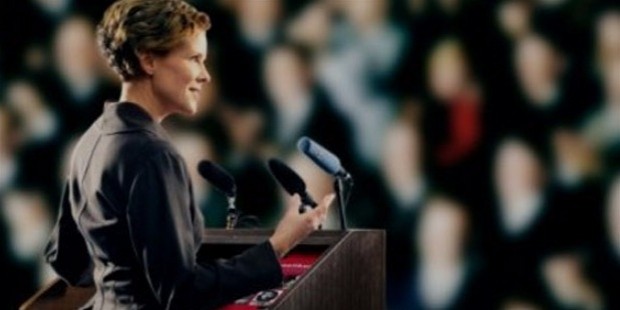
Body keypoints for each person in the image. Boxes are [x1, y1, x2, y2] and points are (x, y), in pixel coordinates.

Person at [43, 0, 334, 309]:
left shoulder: (92, 139)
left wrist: (120, 278)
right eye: (195, 59)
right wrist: (279, 245)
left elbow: (64, 258)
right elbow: (181, 292)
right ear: (149, 60)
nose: (205, 75)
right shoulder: (153, 155)